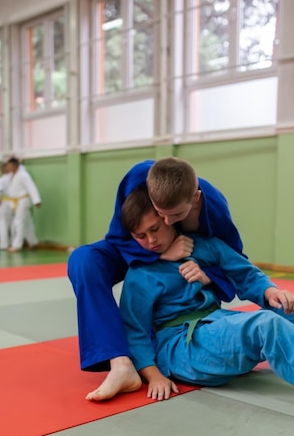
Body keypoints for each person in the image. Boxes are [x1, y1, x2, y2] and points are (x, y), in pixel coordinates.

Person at [119, 185, 294, 401]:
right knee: (266, 325)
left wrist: (270, 292)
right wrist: (153, 375)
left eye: (154, 229)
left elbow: (244, 274)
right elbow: (134, 331)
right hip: (182, 348)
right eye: (141, 236)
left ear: (165, 217)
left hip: (216, 324)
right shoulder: (140, 274)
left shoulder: (202, 246)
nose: (151, 240)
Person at [68, 156, 244, 402]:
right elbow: (118, 238)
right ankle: (121, 363)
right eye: (162, 214)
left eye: (177, 215)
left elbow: (237, 263)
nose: (169, 221)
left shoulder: (213, 207)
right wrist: (161, 254)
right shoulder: (139, 178)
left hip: (187, 256)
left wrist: (206, 276)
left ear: (194, 200)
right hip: (138, 249)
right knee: (83, 260)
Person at [0, 156, 41, 252]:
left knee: (18, 222)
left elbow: (31, 187)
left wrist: (36, 200)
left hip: (22, 201)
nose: (7, 168)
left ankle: (17, 245)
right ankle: (33, 242)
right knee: (27, 223)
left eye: (8, 166)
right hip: (15, 201)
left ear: (14, 165)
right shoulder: (12, 175)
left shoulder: (23, 175)